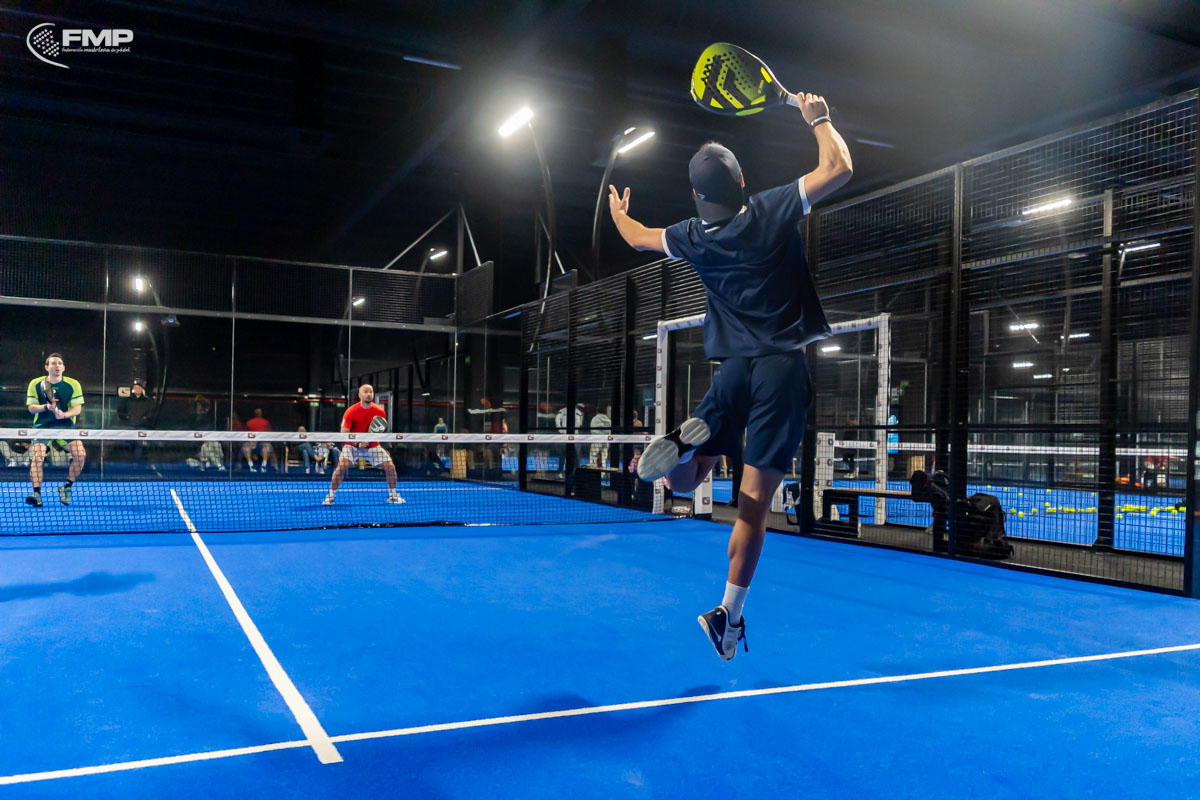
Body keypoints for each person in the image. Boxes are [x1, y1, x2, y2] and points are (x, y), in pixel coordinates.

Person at [608, 92, 852, 660]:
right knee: (753, 506)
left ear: (697, 196)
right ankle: (728, 616)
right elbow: (838, 167)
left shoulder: (691, 236)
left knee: (689, 482)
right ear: (742, 182)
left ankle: (682, 451)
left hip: (732, 373)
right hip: (779, 372)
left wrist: (619, 214)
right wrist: (818, 118)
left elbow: (638, 236)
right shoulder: (769, 210)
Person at [24, 353, 87, 506]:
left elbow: (77, 409)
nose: (57, 365)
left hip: (65, 426)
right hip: (42, 426)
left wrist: (64, 414)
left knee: (81, 455)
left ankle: (67, 487)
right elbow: (31, 408)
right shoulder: (35, 383)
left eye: (59, 363)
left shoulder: (73, 384)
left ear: (64, 367)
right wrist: (46, 407)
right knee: (38, 457)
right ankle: (36, 494)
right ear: (47, 367)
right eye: (53, 363)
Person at [324, 384, 403, 505]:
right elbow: (344, 433)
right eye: (365, 392)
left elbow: (379, 431)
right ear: (359, 395)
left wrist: (368, 441)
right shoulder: (351, 411)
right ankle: (331, 496)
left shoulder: (379, 411)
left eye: (371, 392)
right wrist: (358, 442)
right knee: (342, 467)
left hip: (372, 446)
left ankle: (393, 495)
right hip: (351, 446)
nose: (369, 394)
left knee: (390, 467)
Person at [117, 380, 155, 465]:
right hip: (129, 426)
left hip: (142, 426)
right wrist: (126, 417)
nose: (137, 389)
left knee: (139, 445)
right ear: (133, 389)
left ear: (142, 389)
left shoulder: (148, 401)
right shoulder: (126, 400)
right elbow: (120, 411)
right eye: (135, 388)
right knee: (128, 445)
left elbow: (152, 412)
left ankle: (136, 463)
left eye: (139, 388)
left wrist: (145, 418)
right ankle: (127, 462)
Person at [242, 407, 276, 473]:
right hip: (251, 443)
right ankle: (251, 466)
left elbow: (269, 434)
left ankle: (264, 466)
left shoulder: (265, 422)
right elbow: (246, 435)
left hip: (263, 443)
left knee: (267, 448)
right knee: (245, 448)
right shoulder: (249, 422)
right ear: (261, 414)